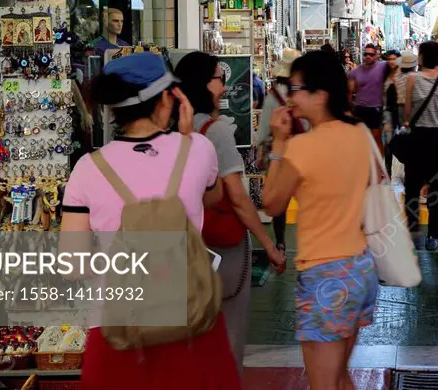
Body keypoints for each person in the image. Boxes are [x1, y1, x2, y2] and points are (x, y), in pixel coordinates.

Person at [60, 53, 240, 389]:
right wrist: (186, 138)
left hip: (118, 326)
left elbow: (73, 265)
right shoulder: (198, 149)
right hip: (191, 322)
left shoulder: (87, 168)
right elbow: (212, 198)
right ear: (167, 98)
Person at [262, 51, 379, 390]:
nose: (291, 97)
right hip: (359, 268)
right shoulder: (360, 135)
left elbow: (271, 203)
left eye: (297, 89)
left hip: (325, 276)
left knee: (324, 383)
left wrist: (279, 143)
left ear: (321, 95)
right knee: (341, 376)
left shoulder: (302, 147)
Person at [174, 52, 287, 369]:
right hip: (219, 246)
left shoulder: (169, 128)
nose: (224, 88)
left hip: (178, 245)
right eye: (219, 79)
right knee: (228, 330)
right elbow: (238, 198)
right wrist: (269, 246)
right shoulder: (215, 130)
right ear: (203, 84)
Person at [403, 41, 438, 251]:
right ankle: (433, 236)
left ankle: (413, 230)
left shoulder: (412, 78)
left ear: (421, 56)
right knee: (435, 189)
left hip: (418, 138)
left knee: (412, 188)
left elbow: (406, 112)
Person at [256, 48, 304, 254]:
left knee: (278, 200)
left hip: (279, 152)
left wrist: (260, 150)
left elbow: (265, 126)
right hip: (302, 150)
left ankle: (281, 241)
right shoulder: (304, 94)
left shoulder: (273, 96)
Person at [348, 43, 388, 148]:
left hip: (375, 108)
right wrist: (349, 109)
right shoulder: (355, 72)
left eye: (371, 54)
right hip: (359, 108)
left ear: (376, 55)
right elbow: (349, 92)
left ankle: (376, 161)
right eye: (366, 54)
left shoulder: (383, 66)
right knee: (360, 138)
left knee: (375, 137)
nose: (368, 57)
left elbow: (396, 63)